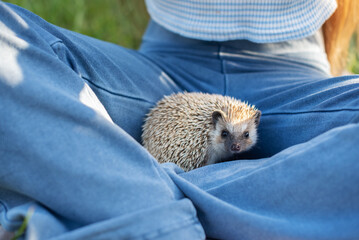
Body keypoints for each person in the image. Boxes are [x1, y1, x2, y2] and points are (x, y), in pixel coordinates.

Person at [1, 0, 358, 239]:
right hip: (159, 69)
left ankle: (133, 199)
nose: (235, 147)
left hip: (294, 76)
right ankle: (255, 205)